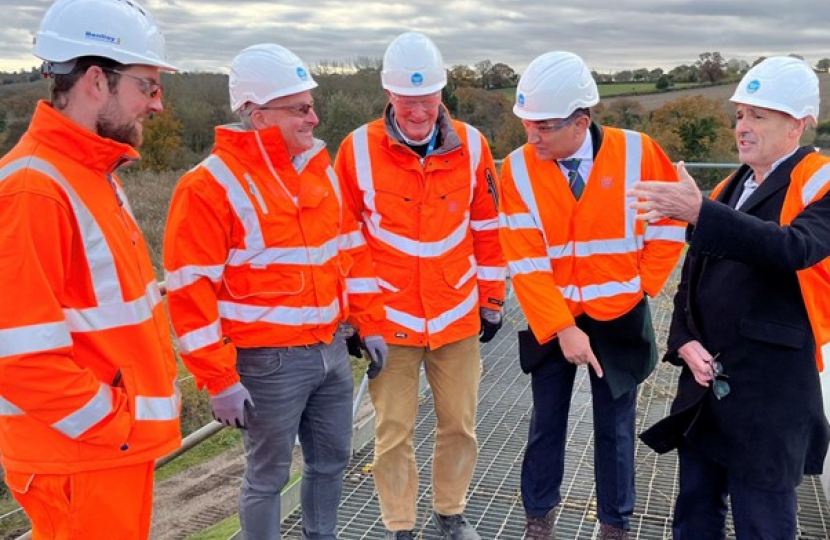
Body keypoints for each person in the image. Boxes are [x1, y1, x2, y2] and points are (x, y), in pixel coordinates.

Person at [163, 43, 386, 540]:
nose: (314, 117)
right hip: (266, 364)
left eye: (311, 105)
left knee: (332, 461)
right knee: (267, 476)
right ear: (257, 114)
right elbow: (189, 291)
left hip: (329, 350)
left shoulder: (318, 169)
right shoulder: (208, 185)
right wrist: (218, 380)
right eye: (301, 108)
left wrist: (368, 321)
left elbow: (349, 250)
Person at [0, 0, 181, 538]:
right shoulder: (34, 190)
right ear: (97, 81)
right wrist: (119, 424)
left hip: (104, 457)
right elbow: (20, 358)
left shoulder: (92, 173)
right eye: (147, 87)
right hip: (81, 463)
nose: (156, 105)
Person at [636, 56, 830, 539]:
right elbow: (692, 278)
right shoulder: (731, 187)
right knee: (696, 513)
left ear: (798, 125)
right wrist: (683, 339)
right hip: (710, 390)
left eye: (758, 115)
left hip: (770, 395)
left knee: (762, 522)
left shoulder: (820, 181)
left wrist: (700, 211)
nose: (742, 127)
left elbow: (793, 248)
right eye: (740, 114)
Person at [498, 51, 685, 540]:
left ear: (581, 122)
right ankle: (539, 516)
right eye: (527, 125)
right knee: (546, 422)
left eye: (543, 127)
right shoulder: (517, 170)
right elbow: (525, 258)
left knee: (615, 427)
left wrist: (641, 285)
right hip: (551, 315)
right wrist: (562, 328)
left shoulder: (639, 152)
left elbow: (669, 224)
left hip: (620, 312)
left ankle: (614, 523)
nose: (531, 137)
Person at [334, 32, 506, 540]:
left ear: (441, 94)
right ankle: (400, 527)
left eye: (426, 99)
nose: (417, 111)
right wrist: (354, 317)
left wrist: (492, 300)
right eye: (408, 101)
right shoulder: (356, 151)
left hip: (455, 315)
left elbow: (489, 229)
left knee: (460, 426)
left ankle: (450, 514)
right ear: (389, 95)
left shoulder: (473, 146)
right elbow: (343, 242)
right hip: (388, 323)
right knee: (393, 434)